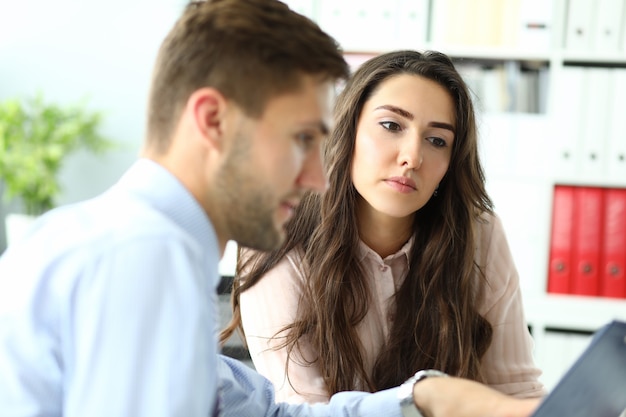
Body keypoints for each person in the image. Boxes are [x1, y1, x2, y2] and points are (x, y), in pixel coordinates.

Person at [0, 1, 541, 416]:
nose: (315, 176)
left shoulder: (124, 243)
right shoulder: (146, 257)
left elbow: (268, 412)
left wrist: (423, 397)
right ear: (213, 121)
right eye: (301, 138)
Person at [222, 50, 546, 404]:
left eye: (437, 140)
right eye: (391, 126)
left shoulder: (478, 234)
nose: (412, 157)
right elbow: (305, 409)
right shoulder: (276, 233)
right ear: (346, 131)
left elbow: (516, 392)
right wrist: (427, 401)